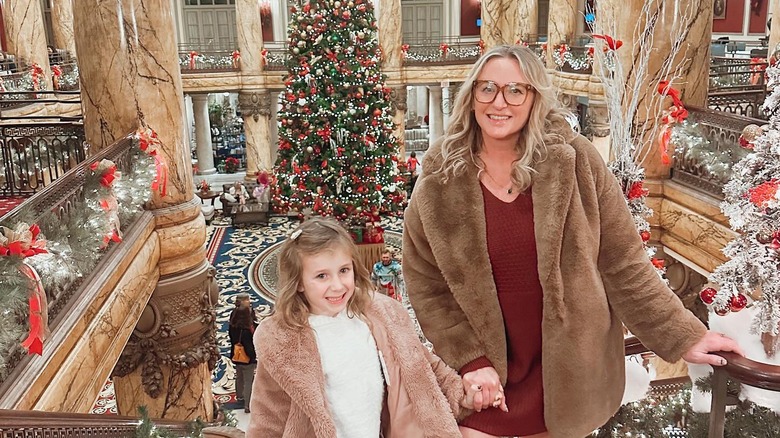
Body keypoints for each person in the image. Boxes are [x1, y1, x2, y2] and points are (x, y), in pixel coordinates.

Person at [402, 44, 745, 438]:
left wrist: (683, 334)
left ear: (534, 98)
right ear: (472, 95)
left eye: (516, 90)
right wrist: (470, 360)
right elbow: (428, 288)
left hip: (568, 375)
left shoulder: (576, 161)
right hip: (490, 381)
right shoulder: (438, 183)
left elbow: (624, 263)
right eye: (487, 89)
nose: (500, 102)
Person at [247, 217, 486, 437]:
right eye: (322, 276)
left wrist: (462, 393)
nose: (338, 285)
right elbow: (268, 417)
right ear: (298, 282)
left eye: (344, 271)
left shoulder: (382, 316)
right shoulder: (282, 342)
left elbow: (425, 367)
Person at [228, 293, 257, 413]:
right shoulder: (246, 330)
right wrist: (253, 357)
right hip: (247, 358)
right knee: (248, 380)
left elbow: (231, 337)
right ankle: (248, 405)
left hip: (236, 355)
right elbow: (250, 347)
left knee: (239, 376)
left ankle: (239, 396)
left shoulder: (233, 323)